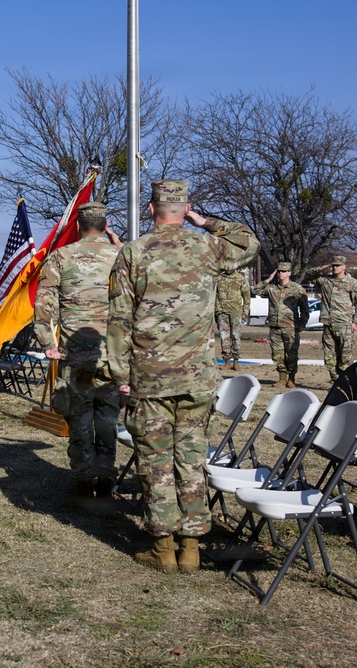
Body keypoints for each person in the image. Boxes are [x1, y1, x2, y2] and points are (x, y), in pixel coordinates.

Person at [107, 179, 259, 575]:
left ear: (150, 208)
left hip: (149, 377)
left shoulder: (133, 252)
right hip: (197, 378)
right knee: (191, 458)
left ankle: (163, 548)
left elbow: (120, 318)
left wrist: (120, 372)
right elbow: (250, 243)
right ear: (184, 207)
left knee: (155, 462)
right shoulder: (208, 246)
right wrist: (206, 221)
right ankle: (191, 548)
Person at [34, 202, 122, 499]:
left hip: (75, 353)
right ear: (104, 223)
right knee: (108, 417)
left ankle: (84, 479)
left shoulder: (62, 256)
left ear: (78, 225)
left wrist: (48, 343)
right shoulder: (121, 256)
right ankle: (106, 478)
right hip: (112, 353)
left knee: (81, 417)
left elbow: (44, 301)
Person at [254, 262, 309, 388]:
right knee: (277, 354)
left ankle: (291, 378)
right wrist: (268, 279)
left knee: (291, 353)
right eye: (279, 271)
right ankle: (282, 378)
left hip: (290, 326)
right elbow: (256, 290)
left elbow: (305, 309)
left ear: (289, 273)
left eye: (283, 271)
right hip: (275, 326)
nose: (280, 273)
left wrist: (302, 324)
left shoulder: (297, 289)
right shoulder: (272, 288)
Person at [304, 256, 357, 382]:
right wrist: (321, 268)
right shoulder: (326, 281)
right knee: (330, 356)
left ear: (344, 267)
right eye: (333, 265)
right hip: (328, 323)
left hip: (344, 324)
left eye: (338, 265)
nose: (335, 267)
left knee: (345, 356)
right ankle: (335, 381)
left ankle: (348, 383)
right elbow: (307, 276)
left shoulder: (352, 283)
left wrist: (355, 321)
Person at [215, 268, 250, 370]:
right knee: (224, 336)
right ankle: (226, 361)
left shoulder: (240, 278)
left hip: (236, 312)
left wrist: (245, 312)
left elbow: (247, 297)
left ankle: (236, 360)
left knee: (236, 336)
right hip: (221, 311)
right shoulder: (219, 278)